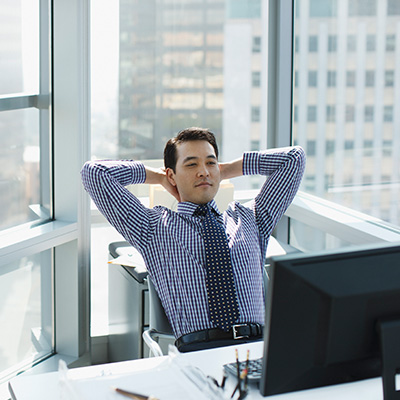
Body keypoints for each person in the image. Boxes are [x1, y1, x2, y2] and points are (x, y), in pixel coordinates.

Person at [81, 127, 306, 352]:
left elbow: (293, 159)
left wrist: (224, 170)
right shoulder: (152, 228)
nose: (203, 172)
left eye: (210, 162)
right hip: (198, 351)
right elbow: (95, 173)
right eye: (191, 164)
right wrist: (159, 178)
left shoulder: (252, 219)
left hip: (258, 348)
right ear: (172, 175)